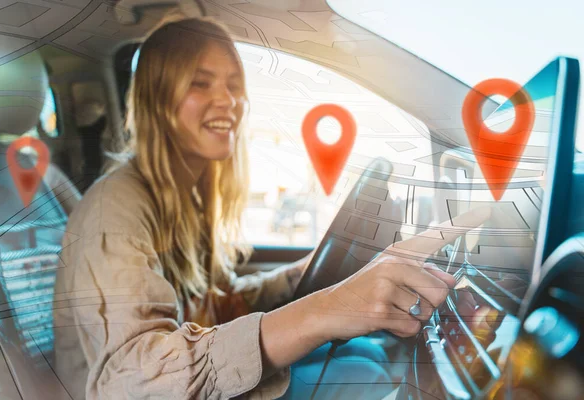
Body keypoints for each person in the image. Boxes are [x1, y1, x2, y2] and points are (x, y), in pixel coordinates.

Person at [52, 16, 473, 400]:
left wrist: (299, 275)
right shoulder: (114, 209)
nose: (228, 101)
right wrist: (326, 307)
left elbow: (215, 302)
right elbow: (132, 380)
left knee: (369, 354)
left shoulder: (184, 197)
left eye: (233, 85)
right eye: (200, 83)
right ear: (157, 99)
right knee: (370, 372)